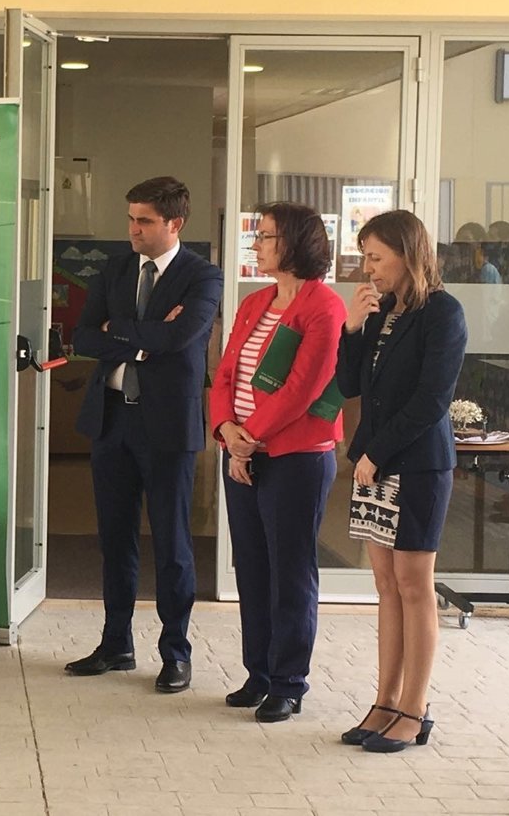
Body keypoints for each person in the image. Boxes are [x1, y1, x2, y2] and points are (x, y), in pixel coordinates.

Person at [66, 176, 223, 692]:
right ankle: (116, 645)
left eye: (145, 221)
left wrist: (118, 330)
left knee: (173, 544)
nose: (133, 229)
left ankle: (176, 653)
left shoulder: (203, 276)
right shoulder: (114, 268)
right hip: (111, 419)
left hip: (166, 427)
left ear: (175, 223)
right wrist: (141, 340)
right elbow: (83, 337)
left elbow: (180, 337)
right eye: (131, 219)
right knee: (115, 540)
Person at [336, 209, 466, 753]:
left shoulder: (443, 313)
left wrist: (375, 453)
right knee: (386, 586)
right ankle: (384, 702)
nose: (368, 269)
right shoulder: (382, 310)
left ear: (407, 254)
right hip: (375, 462)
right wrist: (351, 328)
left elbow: (431, 400)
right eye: (365, 257)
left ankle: (415, 709)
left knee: (415, 586)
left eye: (375, 257)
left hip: (416, 465)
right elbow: (349, 385)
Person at [210, 203, 345, 723]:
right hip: (242, 450)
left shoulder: (323, 307)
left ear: (294, 243)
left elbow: (302, 390)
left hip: (295, 459)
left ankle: (289, 682)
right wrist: (227, 431)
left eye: (265, 236)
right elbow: (224, 374)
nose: (257, 245)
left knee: (290, 572)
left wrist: (249, 439)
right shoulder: (254, 302)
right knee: (253, 567)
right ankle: (259, 675)